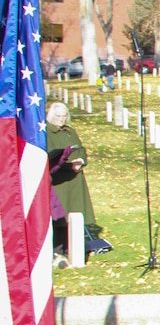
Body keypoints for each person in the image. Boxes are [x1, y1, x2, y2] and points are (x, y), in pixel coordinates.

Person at [46, 102, 98, 255]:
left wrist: (80, 161)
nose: (61, 119)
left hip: (75, 180)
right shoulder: (47, 132)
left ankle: (72, 247)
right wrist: (66, 164)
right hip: (59, 180)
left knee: (74, 213)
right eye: (58, 116)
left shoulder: (70, 132)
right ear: (51, 116)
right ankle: (58, 249)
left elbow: (80, 149)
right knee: (60, 216)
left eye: (63, 116)